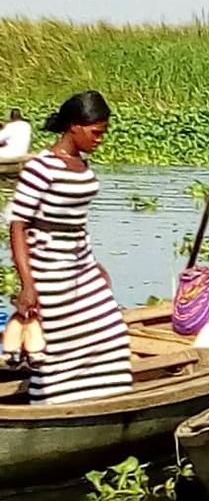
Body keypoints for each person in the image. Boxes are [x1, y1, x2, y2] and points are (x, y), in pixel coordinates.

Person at [8, 92, 132, 404]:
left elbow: (76, 222)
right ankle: (50, 402)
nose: (100, 139)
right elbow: (18, 226)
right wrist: (27, 284)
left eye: (103, 132)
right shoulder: (41, 167)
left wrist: (93, 262)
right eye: (96, 132)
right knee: (60, 343)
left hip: (80, 263)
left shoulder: (80, 164)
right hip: (49, 268)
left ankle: (104, 398)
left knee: (110, 330)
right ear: (74, 127)